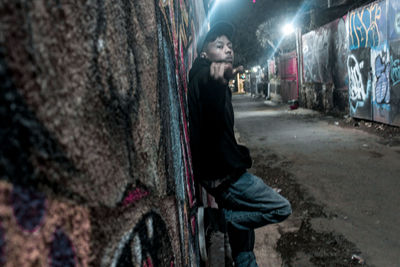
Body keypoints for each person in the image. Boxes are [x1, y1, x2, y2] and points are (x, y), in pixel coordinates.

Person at [188, 21, 292, 267]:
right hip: (225, 176)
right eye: (219, 45)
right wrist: (218, 78)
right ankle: (228, 219)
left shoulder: (210, 77)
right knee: (280, 208)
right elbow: (209, 85)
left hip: (218, 172)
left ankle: (237, 232)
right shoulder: (205, 75)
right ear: (204, 54)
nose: (228, 50)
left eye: (230, 46)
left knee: (243, 245)